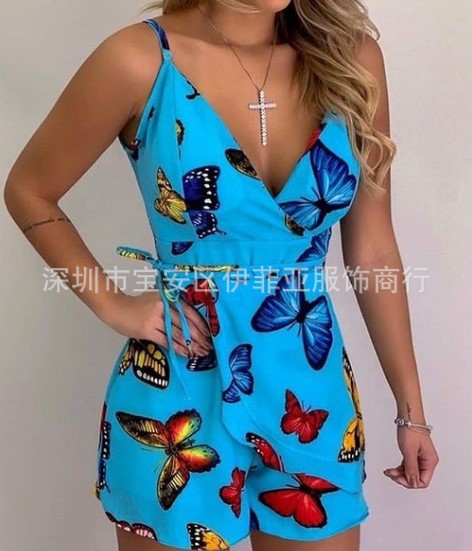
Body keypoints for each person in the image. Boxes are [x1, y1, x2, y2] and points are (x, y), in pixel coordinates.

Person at [4, 1, 439, 550]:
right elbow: (29, 189)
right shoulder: (139, 60)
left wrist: (411, 410)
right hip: (179, 398)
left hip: (310, 397)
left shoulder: (349, 59)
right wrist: (113, 304)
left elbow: (372, 248)